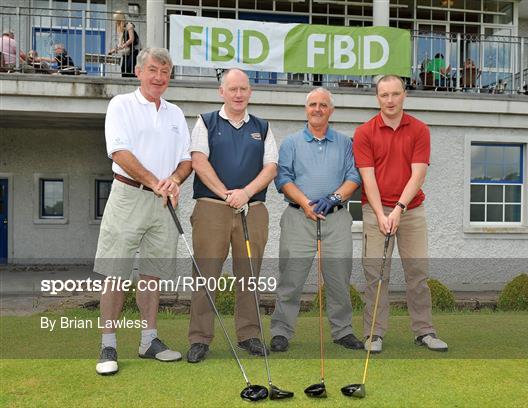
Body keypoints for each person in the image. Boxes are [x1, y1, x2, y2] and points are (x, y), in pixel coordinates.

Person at [93, 48, 192, 375]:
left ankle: (149, 340)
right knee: (115, 271)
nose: (159, 77)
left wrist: (175, 180)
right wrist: (154, 181)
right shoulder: (120, 104)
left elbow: (186, 160)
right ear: (138, 72)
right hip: (128, 195)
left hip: (163, 201)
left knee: (153, 273)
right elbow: (119, 152)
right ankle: (108, 343)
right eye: (153, 70)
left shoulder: (175, 113)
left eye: (165, 72)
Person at [187, 68, 278, 363]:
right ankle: (200, 338)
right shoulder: (206, 122)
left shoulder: (262, 127)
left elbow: (271, 168)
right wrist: (227, 193)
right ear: (221, 92)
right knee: (206, 276)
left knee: (249, 276)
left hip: (251, 210)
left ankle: (249, 334)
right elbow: (198, 161)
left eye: (243, 89)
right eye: (233, 89)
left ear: (250, 92)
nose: (238, 94)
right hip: (212, 207)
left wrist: (245, 194)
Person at [352, 75, 448, 354]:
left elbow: (418, 174)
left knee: (417, 273)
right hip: (374, 211)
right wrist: (381, 213)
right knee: (376, 275)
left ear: (404, 95)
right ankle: (374, 333)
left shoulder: (419, 129)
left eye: (395, 94)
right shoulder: (364, 132)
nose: (390, 100)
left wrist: (398, 209)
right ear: (377, 98)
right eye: (384, 95)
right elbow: (367, 178)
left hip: (411, 210)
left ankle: (424, 331)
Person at [270, 88, 363, 352]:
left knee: (339, 279)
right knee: (291, 279)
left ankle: (343, 331)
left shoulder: (345, 143)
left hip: (335, 219)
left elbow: (353, 177)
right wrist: (305, 202)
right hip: (299, 217)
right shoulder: (291, 143)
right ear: (306, 109)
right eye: (313, 104)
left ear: (331, 110)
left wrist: (334, 198)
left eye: (323, 105)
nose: (318, 109)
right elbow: (283, 178)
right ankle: (281, 332)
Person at [111, 11, 140, 77]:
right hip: (126, 53)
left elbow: (131, 39)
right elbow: (120, 43)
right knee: (124, 70)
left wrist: (122, 46)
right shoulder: (121, 29)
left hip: (133, 51)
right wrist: (114, 50)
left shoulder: (129, 25)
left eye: (117, 20)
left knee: (130, 70)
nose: (116, 22)